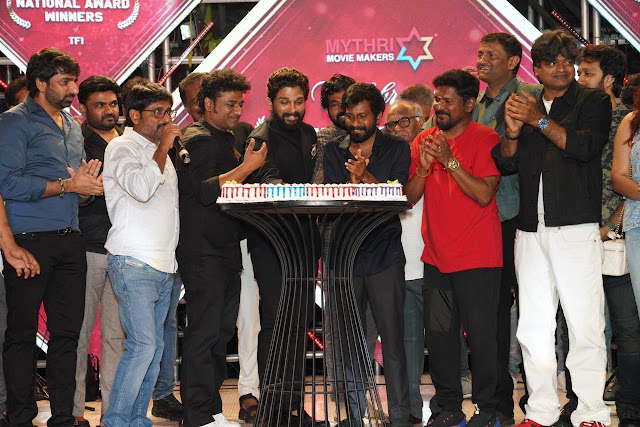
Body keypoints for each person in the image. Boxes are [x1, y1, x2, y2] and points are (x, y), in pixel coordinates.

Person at [492, 29, 612, 427]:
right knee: (532, 327)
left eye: (567, 60)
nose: (561, 67)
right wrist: (512, 132)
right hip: (529, 230)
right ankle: (540, 411)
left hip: (575, 226)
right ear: (537, 68)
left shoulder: (591, 100)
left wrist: (537, 120)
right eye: (551, 61)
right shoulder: (523, 103)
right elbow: (506, 163)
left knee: (584, 324)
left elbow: (585, 147)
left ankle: (591, 411)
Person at [0, 47, 104, 426]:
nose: (73, 89)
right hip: (28, 240)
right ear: (40, 83)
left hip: (71, 239)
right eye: (65, 81)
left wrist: (87, 187)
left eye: (74, 80)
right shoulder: (13, 122)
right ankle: (20, 416)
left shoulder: (73, 125)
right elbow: (7, 183)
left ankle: (63, 417)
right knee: (21, 334)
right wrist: (67, 185)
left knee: (68, 335)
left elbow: (74, 185)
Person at [405, 69, 502, 427]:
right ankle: (448, 408)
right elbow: (409, 198)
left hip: (478, 258)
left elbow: (484, 194)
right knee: (440, 339)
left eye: (448, 100)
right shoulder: (424, 139)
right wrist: (423, 169)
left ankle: (486, 410)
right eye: (437, 99)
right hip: (436, 259)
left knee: (482, 337)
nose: (440, 106)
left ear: (469, 103)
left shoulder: (486, 138)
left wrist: (449, 161)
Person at [177, 69, 267, 427]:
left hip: (225, 250)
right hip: (203, 252)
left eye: (240, 104)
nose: (237, 111)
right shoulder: (199, 138)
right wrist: (247, 167)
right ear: (207, 104)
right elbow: (203, 190)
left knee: (218, 334)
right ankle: (198, 414)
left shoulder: (222, 137)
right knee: (204, 333)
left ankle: (210, 409)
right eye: (230, 104)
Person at [324, 83, 411, 427]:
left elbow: (398, 199)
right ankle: (354, 416)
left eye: (363, 116)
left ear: (378, 115)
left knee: (393, 340)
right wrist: (353, 184)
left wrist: (366, 178)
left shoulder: (397, 148)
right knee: (349, 344)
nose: (356, 123)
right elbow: (334, 202)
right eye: (350, 116)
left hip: (385, 254)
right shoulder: (333, 151)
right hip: (345, 256)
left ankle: (400, 415)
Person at [101, 81, 182, 427]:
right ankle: (116, 421)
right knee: (143, 346)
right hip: (133, 262)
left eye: (168, 111)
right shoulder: (122, 147)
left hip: (163, 265)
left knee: (155, 349)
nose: (165, 119)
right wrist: (163, 147)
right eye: (157, 112)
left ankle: (136, 419)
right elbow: (142, 189)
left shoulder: (159, 151)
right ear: (134, 115)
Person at [474, 32, 541, 427]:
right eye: (480, 53)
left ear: (514, 61)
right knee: (494, 313)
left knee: (535, 309)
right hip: (483, 220)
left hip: (524, 216)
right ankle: (499, 400)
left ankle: (538, 399)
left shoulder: (531, 96)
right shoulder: (473, 103)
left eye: (491, 54)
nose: (482, 60)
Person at [246, 67, 318, 425]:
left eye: (298, 101)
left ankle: (292, 405)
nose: (292, 109)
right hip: (272, 243)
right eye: (284, 102)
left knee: (298, 324)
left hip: (304, 242)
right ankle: (273, 408)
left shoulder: (309, 133)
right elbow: (269, 182)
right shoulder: (261, 138)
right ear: (271, 102)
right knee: (277, 322)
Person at [578, 44, 640, 427]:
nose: (580, 79)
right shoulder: (574, 117)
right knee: (581, 327)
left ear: (610, 80)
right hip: (577, 235)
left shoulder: (625, 120)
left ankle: (630, 405)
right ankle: (582, 403)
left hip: (617, 237)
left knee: (627, 327)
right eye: (579, 72)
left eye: (587, 73)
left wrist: (609, 228)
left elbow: (622, 184)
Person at [73, 75, 126, 427]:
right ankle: (73, 412)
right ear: (83, 109)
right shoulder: (74, 141)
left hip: (125, 249)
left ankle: (114, 413)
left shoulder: (129, 142)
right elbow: (71, 191)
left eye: (113, 104)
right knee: (77, 335)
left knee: (117, 337)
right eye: (99, 105)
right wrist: (83, 192)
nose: (109, 110)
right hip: (87, 248)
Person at [384, 99, 426, 425]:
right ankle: (411, 408)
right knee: (408, 343)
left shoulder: (435, 152)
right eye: (391, 124)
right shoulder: (385, 159)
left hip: (440, 261)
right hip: (403, 264)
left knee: (448, 340)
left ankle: (449, 405)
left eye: (404, 121)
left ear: (421, 121)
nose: (398, 129)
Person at [312, 73, 355, 184]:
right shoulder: (322, 139)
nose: (341, 109)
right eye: (334, 104)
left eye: (345, 101)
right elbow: (319, 185)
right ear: (327, 109)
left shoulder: (369, 135)